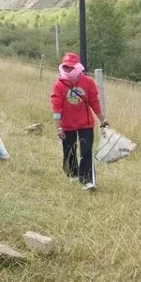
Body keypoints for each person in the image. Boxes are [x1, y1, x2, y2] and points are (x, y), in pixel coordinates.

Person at [50, 52, 109, 191]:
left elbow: (94, 102)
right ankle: (73, 174)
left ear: (77, 67)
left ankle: (87, 180)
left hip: (85, 123)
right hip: (67, 123)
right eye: (66, 67)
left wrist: (102, 119)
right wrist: (58, 126)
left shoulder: (88, 82)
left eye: (71, 67)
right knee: (69, 149)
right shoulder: (59, 85)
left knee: (86, 150)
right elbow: (56, 107)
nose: (68, 70)